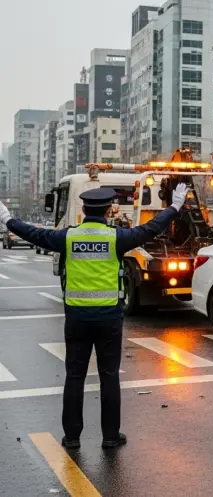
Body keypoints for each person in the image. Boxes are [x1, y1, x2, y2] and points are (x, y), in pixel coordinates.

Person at [0, 184, 188, 449]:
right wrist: (175, 206)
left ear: (84, 210)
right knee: (109, 375)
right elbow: (151, 229)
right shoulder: (116, 237)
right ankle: (110, 436)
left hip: (76, 317)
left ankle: (72, 437)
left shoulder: (68, 237)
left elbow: (33, 234)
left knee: (74, 376)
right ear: (110, 211)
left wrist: (8, 218)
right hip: (109, 318)